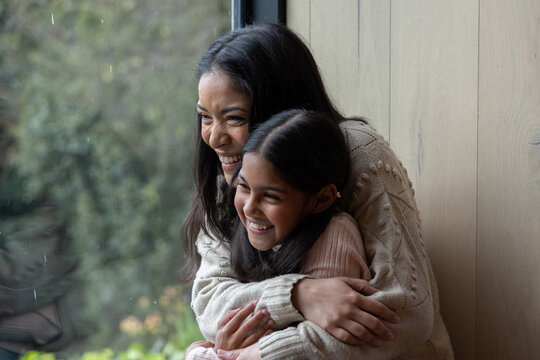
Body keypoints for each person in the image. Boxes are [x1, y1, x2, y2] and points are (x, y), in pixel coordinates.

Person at [183, 23, 454, 359]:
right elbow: (212, 304)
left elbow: (405, 314)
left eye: (234, 118)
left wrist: (262, 353)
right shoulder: (229, 178)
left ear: (279, 111)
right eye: (204, 117)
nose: (213, 137)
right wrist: (299, 296)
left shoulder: (358, 152)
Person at [186, 109, 373, 359]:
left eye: (271, 196)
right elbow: (220, 321)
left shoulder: (334, 235)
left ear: (322, 199)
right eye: (243, 186)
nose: (250, 207)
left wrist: (203, 355)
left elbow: (312, 348)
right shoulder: (250, 235)